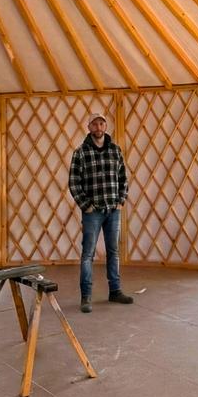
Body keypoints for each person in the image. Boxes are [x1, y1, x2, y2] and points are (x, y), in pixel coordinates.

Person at [69, 113, 134, 313]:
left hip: (113, 210)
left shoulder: (115, 150)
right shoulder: (80, 152)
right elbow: (73, 182)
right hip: (93, 211)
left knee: (113, 252)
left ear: (106, 127)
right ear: (89, 127)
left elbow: (123, 177)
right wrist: (86, 205)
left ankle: (115, 291)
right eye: (95, 123)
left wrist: (121, 201)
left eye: (102, 123)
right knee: (88, 253)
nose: (99, 127)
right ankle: (85, 296)